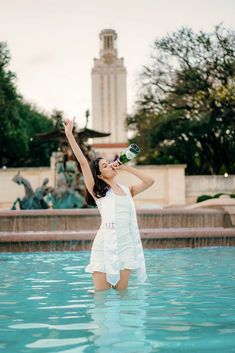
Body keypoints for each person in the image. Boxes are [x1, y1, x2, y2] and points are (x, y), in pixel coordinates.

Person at [63, 118, 155, 292]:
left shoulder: (128, 191)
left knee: (123, 295)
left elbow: (150, 181)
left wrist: (126, 167)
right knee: (101, 298)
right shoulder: (98, 193)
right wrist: (69, 134)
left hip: (126, 245)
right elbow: (83, 163)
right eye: (105, 166)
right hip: (104, 245)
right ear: (100, 175)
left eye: (108, 163)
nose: (110, 165)